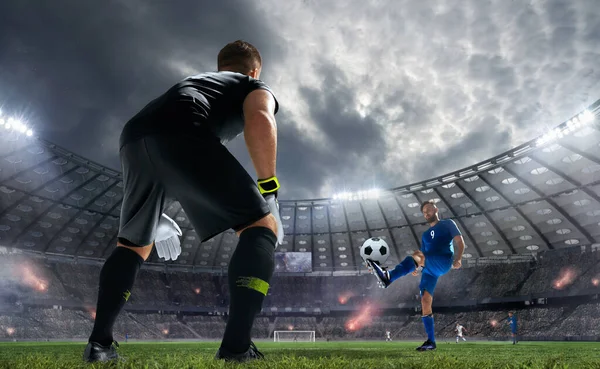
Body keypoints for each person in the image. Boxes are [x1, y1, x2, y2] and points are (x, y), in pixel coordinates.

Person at [83, 40, 283, 363]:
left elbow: (160, 143)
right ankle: (236, 349)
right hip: (181, 132)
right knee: (261, 227)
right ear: (255, 69)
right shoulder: (251, 84)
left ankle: (99, 345)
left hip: (133, 137)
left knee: (133, 246)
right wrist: (269, 189)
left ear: (221, 67)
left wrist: (153, 212)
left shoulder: (200, 83)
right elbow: (260, 118)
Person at [368, 200, 465, 351]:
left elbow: (460, 242)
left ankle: (389, 277)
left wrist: (458, 258)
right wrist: (417, 266)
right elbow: (421, 255)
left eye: (428, 210)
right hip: (429, 269)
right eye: (424, 212)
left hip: (443, 260)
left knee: (416, 254)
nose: (426, 213)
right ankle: (431, 342)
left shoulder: (448, 224)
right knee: (425, 301)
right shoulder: (426, 235)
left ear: (435, 209)